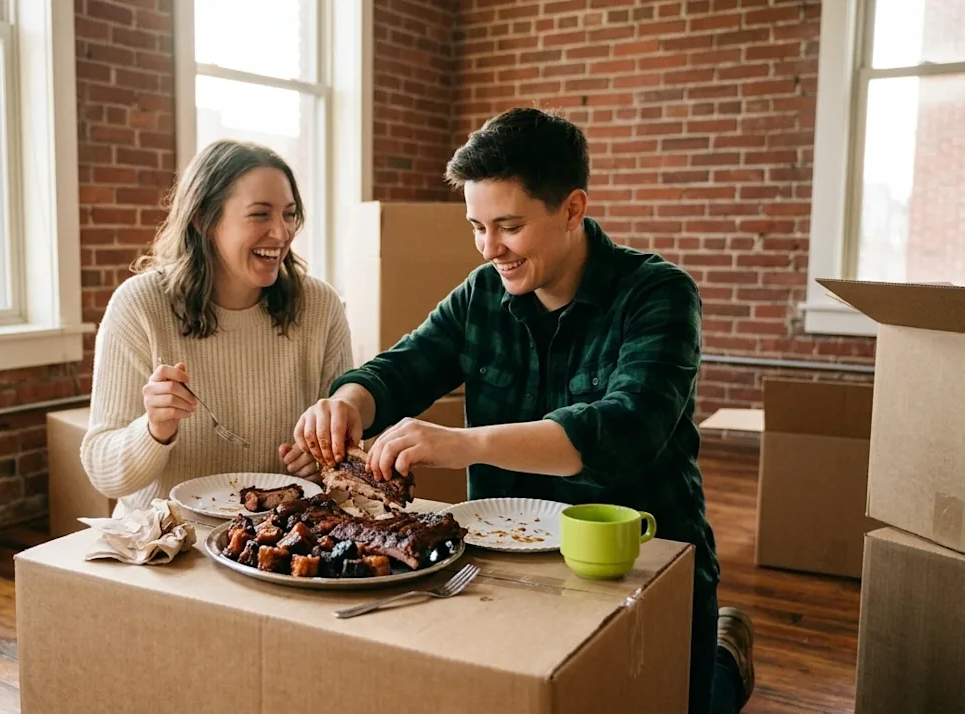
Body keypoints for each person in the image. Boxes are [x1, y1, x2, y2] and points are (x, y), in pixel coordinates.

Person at [292, 107, 754, 714]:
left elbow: (626, 428)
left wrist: (463, 443)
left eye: (507, 226)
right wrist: (349, 400)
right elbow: (403, 366)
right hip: (501, 569)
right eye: (476, 227)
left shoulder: (659, 294)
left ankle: (725, 655)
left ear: (572, 209)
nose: (490, 249)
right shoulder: (482, 294)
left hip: (641, 565)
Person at [82, 139, 354, 517]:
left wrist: (324, 462)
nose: (281, 232)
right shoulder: (140, 304)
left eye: (289, 214)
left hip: (276, 542)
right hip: (166, 544)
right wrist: (155, 429)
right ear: (204, 219)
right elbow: (104, 474)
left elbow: (348, 451)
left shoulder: (320, 306)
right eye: (261, 214)